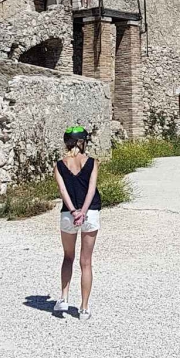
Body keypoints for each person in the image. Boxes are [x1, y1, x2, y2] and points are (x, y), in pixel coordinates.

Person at [53, 125, 102, 320]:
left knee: (68, 257)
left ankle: (64, 298)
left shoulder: (59, 164)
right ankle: (83, 308)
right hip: (90, 213)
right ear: (82, 142)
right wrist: (83, 211)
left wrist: (73, 210)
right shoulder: (92, 162)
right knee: (86, 262)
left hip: (68, 214)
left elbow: (63, 191)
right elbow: (91, 189)